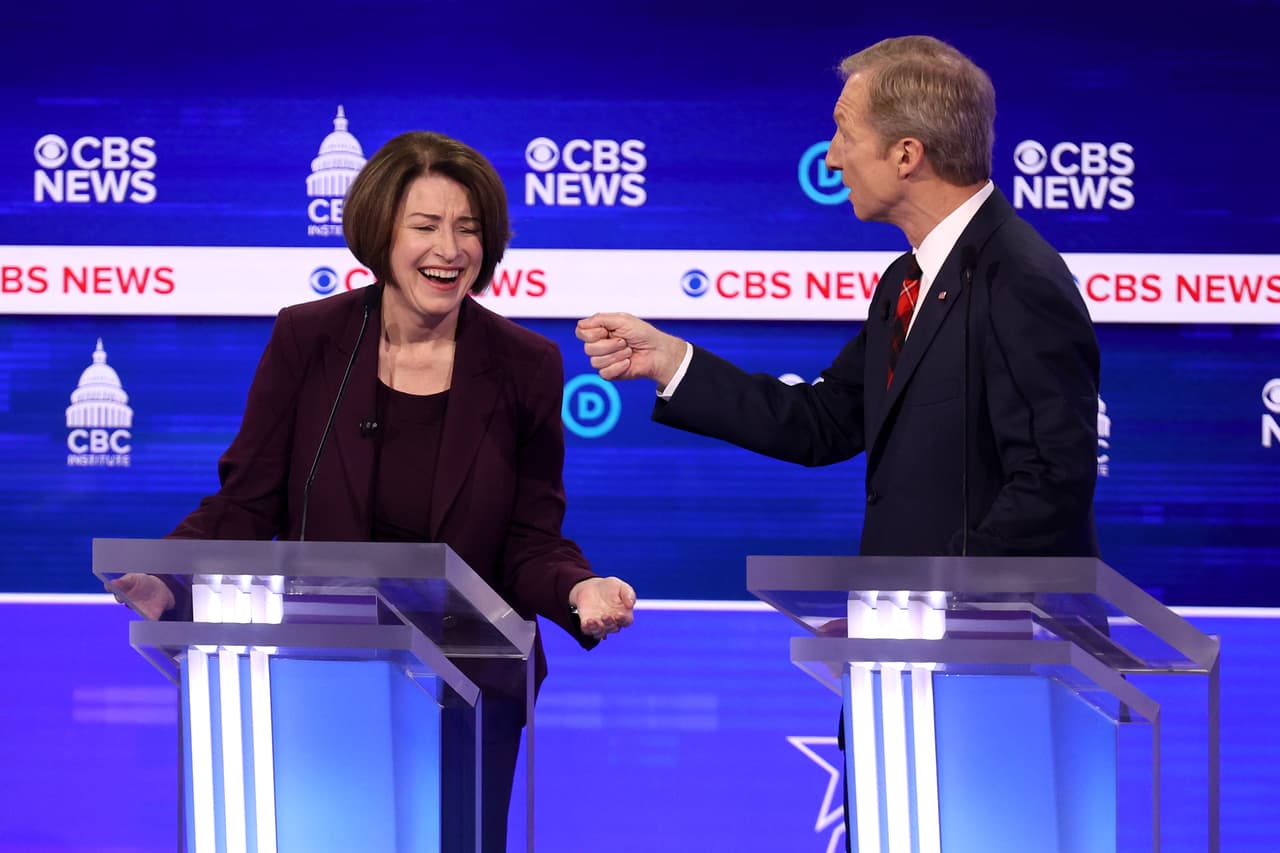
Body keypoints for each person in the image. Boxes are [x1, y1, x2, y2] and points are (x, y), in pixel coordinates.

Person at [577, 35, 1099, 847]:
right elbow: (823, 422)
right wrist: (671, 361)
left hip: (987, 679)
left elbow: (1052, 479)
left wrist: (932, 613)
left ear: (906, 152)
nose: (831, 154)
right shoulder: (907, 279)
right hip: (907, 672)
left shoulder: (1019, 279)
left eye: (843, 130)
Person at [110, 130, 637, 851]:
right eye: (425, 226)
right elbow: (247, 500)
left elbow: (529, 538)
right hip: (318, 674)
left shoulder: (525, 365)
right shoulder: (309, 339)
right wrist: (169, 578)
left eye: (468, 229)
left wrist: (579, 589)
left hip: (469, 685)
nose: (449, 249)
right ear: (380, 233)